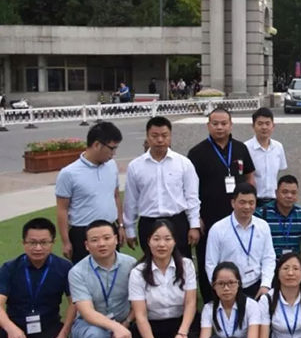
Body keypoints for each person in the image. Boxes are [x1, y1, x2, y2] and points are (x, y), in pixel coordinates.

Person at [0, 218, 75, 338]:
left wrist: (64, 333)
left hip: (48, 325)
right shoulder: (10, 268)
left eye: (44, 242)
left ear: (52, 243)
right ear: (24, 243)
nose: (38, 248)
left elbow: (74, 303)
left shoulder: (64, 267)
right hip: (16, 324)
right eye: (32, 242)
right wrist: (11, 328)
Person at [188, 107, 256, 302]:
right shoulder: (197, 153)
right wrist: (196, 218)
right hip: (209, 217)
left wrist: (252, 206)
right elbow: (190, 189)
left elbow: (250, 177)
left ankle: (239, 298)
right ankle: (211, 302)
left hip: (238, 216)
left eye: (224, 123)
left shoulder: (241, 148)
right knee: (208, 259)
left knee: (238, 254)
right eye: (215, 123)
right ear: (208, 125)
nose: (220, 127)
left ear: (231, 125)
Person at [68, 220, 136, 338]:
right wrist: (116, 327)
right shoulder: (77, 271)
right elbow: (87, 313)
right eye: (95, 240)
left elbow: (139, 303)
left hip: (122, 324)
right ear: (86, 245)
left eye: (107, 238)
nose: (101, 244)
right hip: (87, 326)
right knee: (96, 336)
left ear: (116, 239)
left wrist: (126, 323)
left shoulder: (131, 264)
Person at [129, 220, 199, 338]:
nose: (162, 244)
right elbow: (140, 315)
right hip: (151, 326)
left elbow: (190, 303)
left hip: (179, 322)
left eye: (167, 239)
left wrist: (182, 334)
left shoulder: (186, 265)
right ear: (148, 241)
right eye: (156, 239)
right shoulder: (138, 272)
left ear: (174, 241)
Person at [123, 116, 200, 258]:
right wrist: (130, 230)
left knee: (181, 264)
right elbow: (130, 201)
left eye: (164, 135)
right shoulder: (135, 166)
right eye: (154, 136)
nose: (160, 140)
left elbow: (192, 197)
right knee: (151, 265)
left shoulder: (183, 163)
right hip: (148, 222)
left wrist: (194, 225)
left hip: (177, 222)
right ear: (147, 137)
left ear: (170, 137)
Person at [55, 122, 125, 264]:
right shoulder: (69, 173)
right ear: (97, 145)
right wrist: (66, 242)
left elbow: (116, 196)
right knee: (85, 273)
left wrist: (121, 226)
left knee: (113, 271)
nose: (114, 154)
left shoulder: (111, 166)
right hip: (83, 233)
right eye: (112, 148)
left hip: (110, 229)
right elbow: (62, 209)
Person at [205, 183, 275, 299]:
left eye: (251, 203)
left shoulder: (263, 226)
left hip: (256, 286)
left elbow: (268, 258)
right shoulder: (218, 229)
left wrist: (265, 285)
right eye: (242, 202)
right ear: (233, 203)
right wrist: (219, 287)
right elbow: (211, 263)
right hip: (228, 287)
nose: (247, 207)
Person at [255, 175, 301, 257]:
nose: (289, 196)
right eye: (285, 192)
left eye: (293, 193)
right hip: (269, 262)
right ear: (276, 193)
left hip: (293, 262)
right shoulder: (262, 214)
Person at [246, 108, 288, 206]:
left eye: (267, 123)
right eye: (260, 124)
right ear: (253, 126)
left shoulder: (278, 147)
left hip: (274, 201)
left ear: (273, 126)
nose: (264, 127)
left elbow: (280, 172)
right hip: (253, 201)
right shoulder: (246, 148)